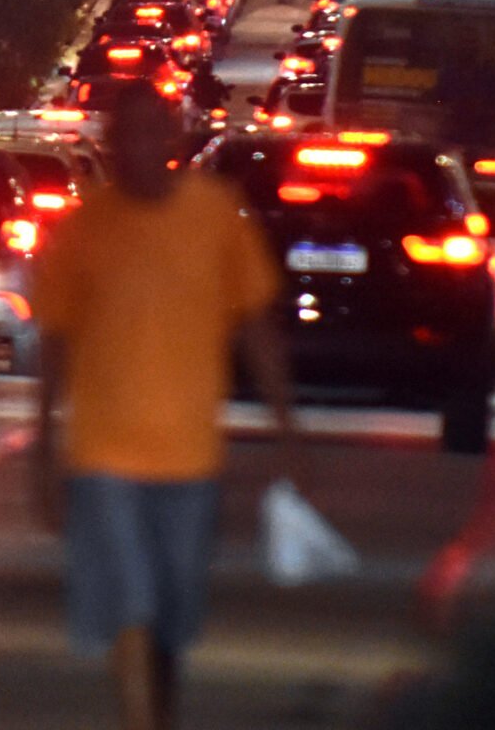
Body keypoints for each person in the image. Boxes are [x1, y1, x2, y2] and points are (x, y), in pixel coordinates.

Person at [30, 82, 296, 730]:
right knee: (132, 605)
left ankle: (160, 712)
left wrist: (287, 422)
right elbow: (57, 342)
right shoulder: (82, 228)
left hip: (189, 461)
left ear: (174, 141)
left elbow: (255, 323)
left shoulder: (216, 215)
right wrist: (43, 446)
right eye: (127, 136)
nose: (139, 149)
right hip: (104, 458)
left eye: (153, 134)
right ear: (111, 146)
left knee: (173, 616)